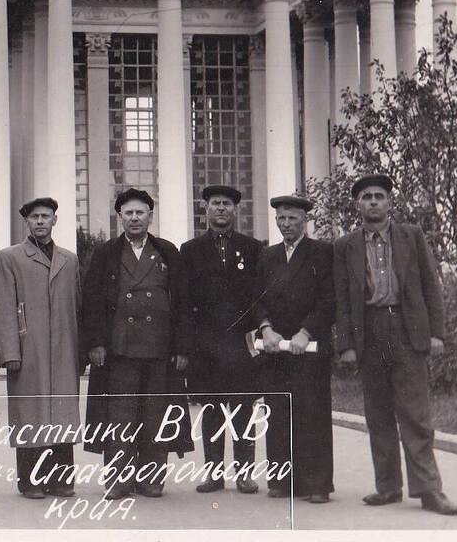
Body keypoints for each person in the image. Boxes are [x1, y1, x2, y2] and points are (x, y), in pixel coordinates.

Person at [334, 174, 457, 516]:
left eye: (379, 196)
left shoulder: (411, 236)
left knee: (415, 414)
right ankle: (387, 487)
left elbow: (431, 286)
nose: (373, 201)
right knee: (378, 415)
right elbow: (343, 300)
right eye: (366, 197)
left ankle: (429, 490)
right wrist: (346, 344)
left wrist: (437, 333)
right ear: (357, 204)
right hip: (370, 333)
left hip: (407, 330)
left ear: (390, 202)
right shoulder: (345, 245)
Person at [82, 188, 193, 500]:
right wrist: (96, 343)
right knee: (119, 416)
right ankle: (118, 480)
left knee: (155, 414)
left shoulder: (169, 252)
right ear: (120, 217)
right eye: (128, 213)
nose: (134, 218)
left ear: (150, 217)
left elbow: (184, 304)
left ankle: (151, 479)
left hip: (160, 349)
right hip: (119, 349)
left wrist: (182, 348)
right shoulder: (106, 253)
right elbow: (92, 303)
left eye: (140, 213)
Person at [0, 197, 82, 500]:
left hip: (64, 348)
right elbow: (3, 306)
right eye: (34, 217)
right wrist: (9, 352)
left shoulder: (69, 259)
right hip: (28, 348)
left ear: (55, 220)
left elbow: (77, 307)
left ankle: (62, 479)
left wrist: (79, 352)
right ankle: (30, 480)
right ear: (26, 222)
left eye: (46, 216)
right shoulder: (10, 257)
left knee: (62, 411)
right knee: (31, 412)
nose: (40, 221)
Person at [180, 184, 264, 495]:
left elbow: (259, 299)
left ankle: (245, 474)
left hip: (241, 345)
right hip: (206, 346)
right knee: (211, 410)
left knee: (243, 409)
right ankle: (214, 474)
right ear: (205, 208)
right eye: (215, 203)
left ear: (235, 209)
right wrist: (189, 346)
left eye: (227, 204)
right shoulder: (190, 251)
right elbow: (185, 303)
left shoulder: (254, 248)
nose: (221, 209)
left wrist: (256, 343)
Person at [253, 195, 334, 503]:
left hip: (309, 347)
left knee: (312, 413)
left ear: (305, 220)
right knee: (278, 412)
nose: (286, 224)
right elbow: (256, 299)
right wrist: (266, 328)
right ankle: (282, 481)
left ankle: (317, 485)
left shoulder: (322, 253)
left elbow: (329, 300)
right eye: (281, 219)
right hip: (275, 348)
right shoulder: (267, 256)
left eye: (293, 219)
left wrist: (306, 331)